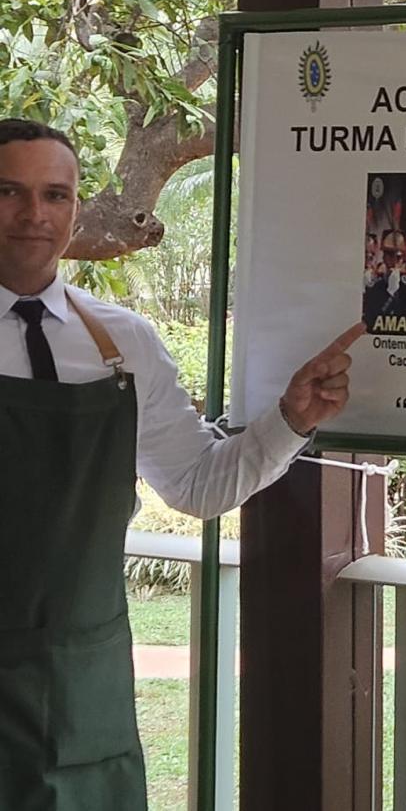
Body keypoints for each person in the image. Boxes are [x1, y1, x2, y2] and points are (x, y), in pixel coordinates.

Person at [0, 119, 361, 810]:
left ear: (77, 208)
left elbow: (196, 485)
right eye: (9, 191)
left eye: (54, 194)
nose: (33, 214)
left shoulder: (122, 345)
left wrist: (291, 420)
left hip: (77, 683)